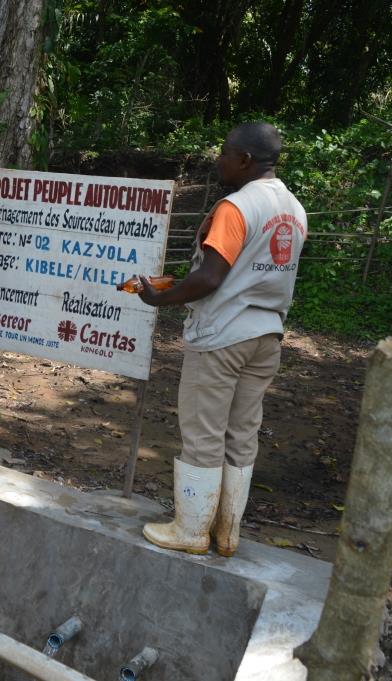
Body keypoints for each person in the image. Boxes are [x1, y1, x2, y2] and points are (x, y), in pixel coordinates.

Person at [139, 122, 307, 557]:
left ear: (246, 160)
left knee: (203, 431)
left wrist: (161, 298)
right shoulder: (293, 208)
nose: (220, 160)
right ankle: (227, 534)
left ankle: (191, 530)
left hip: (222, 337)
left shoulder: (236, 207)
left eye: (225, 153)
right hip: (266, 335)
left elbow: (211, 278)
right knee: (241, 433)